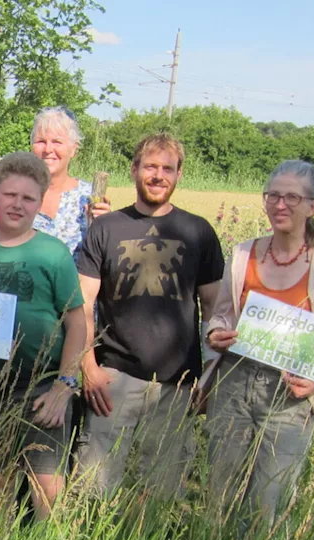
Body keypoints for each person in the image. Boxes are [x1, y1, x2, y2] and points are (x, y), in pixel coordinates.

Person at [205, 160, 314, 527]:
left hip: (291, 393)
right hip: (234, 383)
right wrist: (216, 335)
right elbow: (221, 314)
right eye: (273, 195)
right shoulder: (243, 253)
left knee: (268, 501)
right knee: (219, 493)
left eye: (292, 197)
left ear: (312, 206)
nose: (280, 205)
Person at [74, 133, 224, 499]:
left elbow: (216, 314)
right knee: (92, 489)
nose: (158, 176)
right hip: (113, 379)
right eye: (151, 167)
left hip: (177, 384)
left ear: (179, 175)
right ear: (135, 169)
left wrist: (208, 379)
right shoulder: (105, 229)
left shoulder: (198, 231)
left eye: (167, 169)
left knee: (161, 491)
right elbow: (82, 304)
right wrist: (89, 368)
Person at [0, 152, 86, 520]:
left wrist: (64, 386)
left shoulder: (53, 253)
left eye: (28, 198)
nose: (17, 204)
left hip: (41, 389)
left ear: (40, 203)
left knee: (46, 486)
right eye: (9, 195)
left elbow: (77, 323)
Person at [0, 107, 111, 252]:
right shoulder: (11, 193)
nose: (48, 149)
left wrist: (106, 226)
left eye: (57, 142)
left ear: (73, 149)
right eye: (41, 141)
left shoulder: (88, 197)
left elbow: (104, 257)